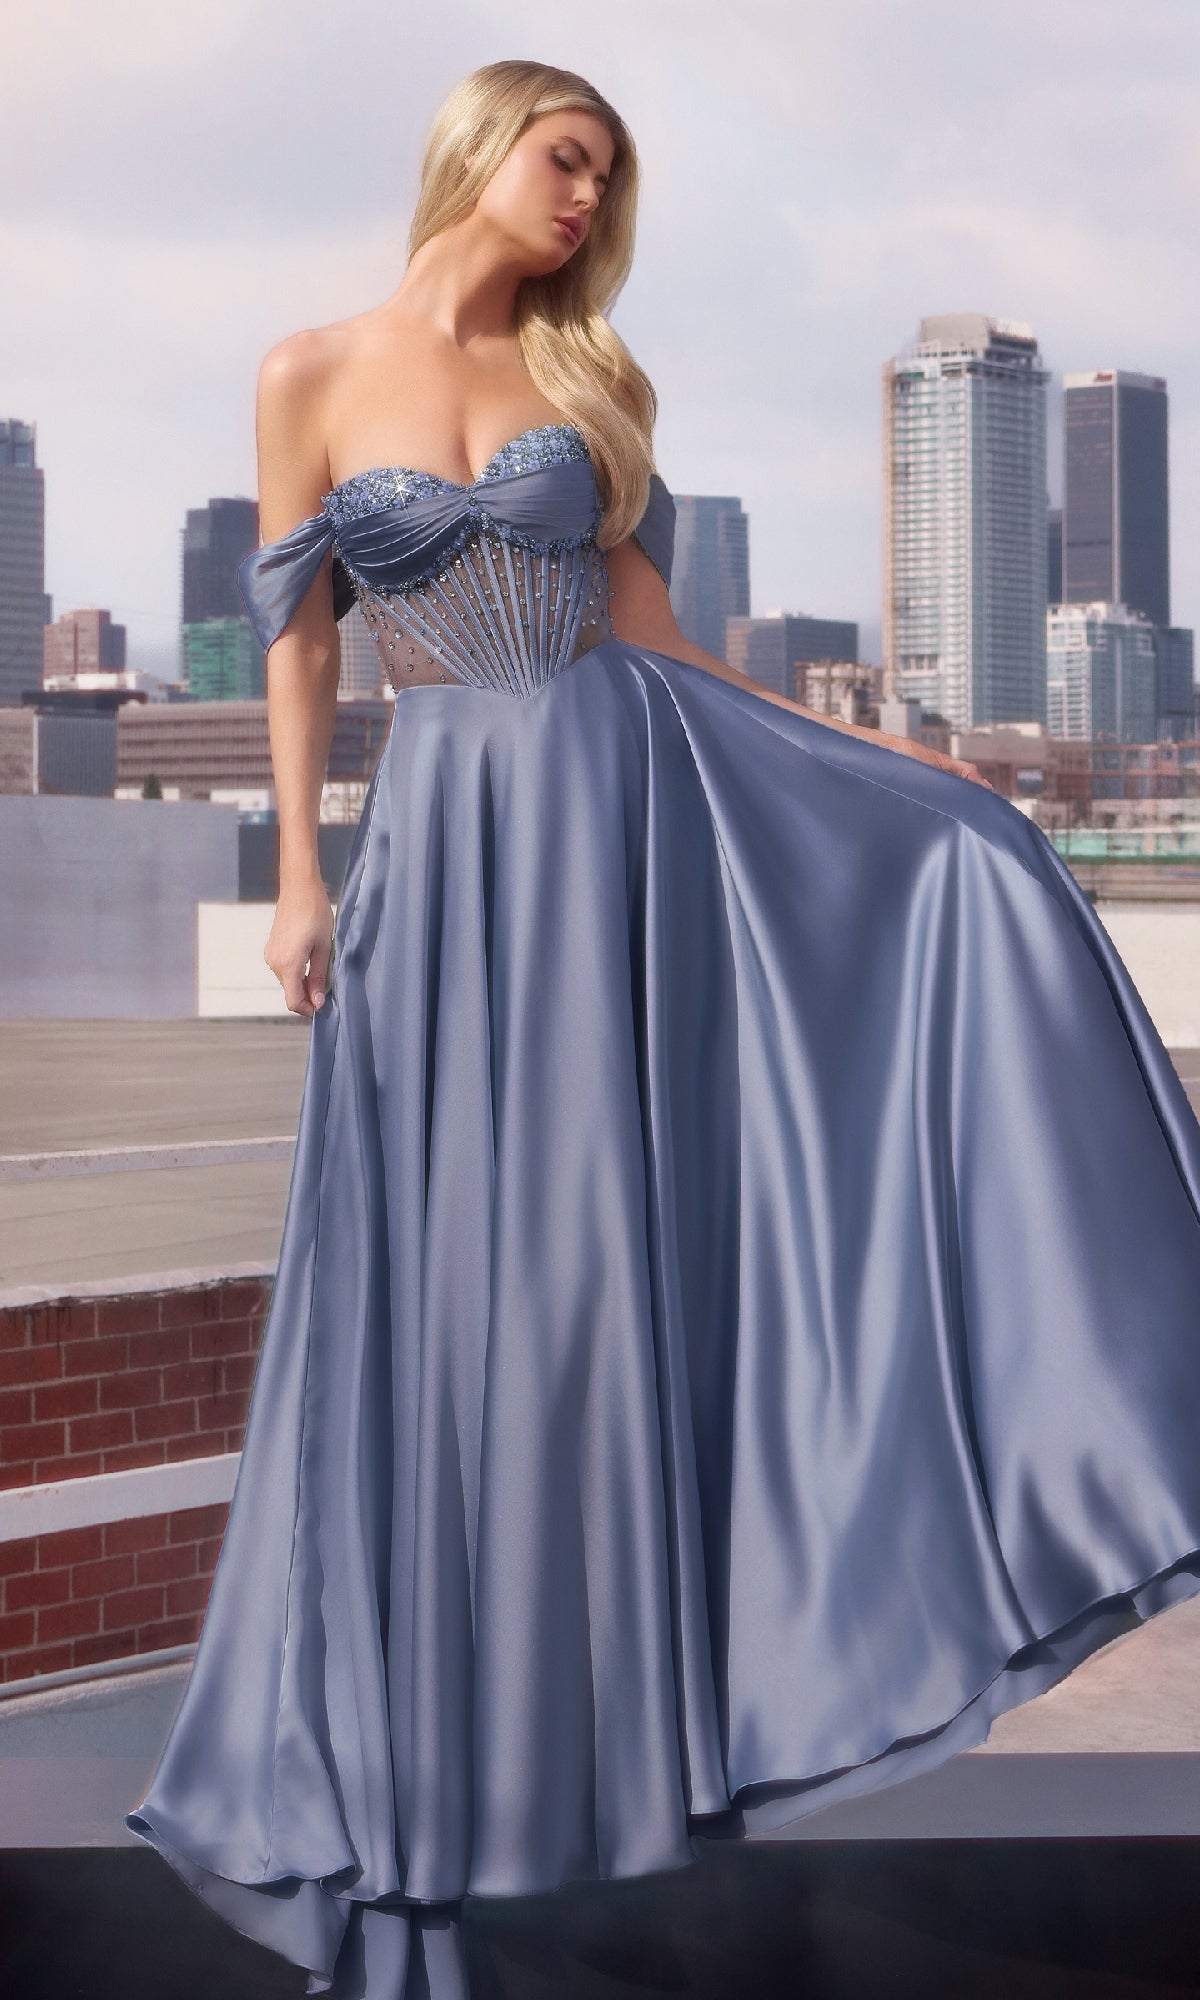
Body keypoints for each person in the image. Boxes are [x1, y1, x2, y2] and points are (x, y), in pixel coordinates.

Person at [124, 57, 1200, 2000]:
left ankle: (594, 1761)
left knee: (593, 1288)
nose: (583, 199)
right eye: (566, 159)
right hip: (446, 844)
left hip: (619, 831)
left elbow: (646, 626)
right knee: (453, 1292)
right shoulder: (309, 370)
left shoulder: (587, 388)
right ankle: (429, 1780)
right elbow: (296, 643)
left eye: (604, 177)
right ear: (483, 149)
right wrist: (299, 877)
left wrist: (889, 768)